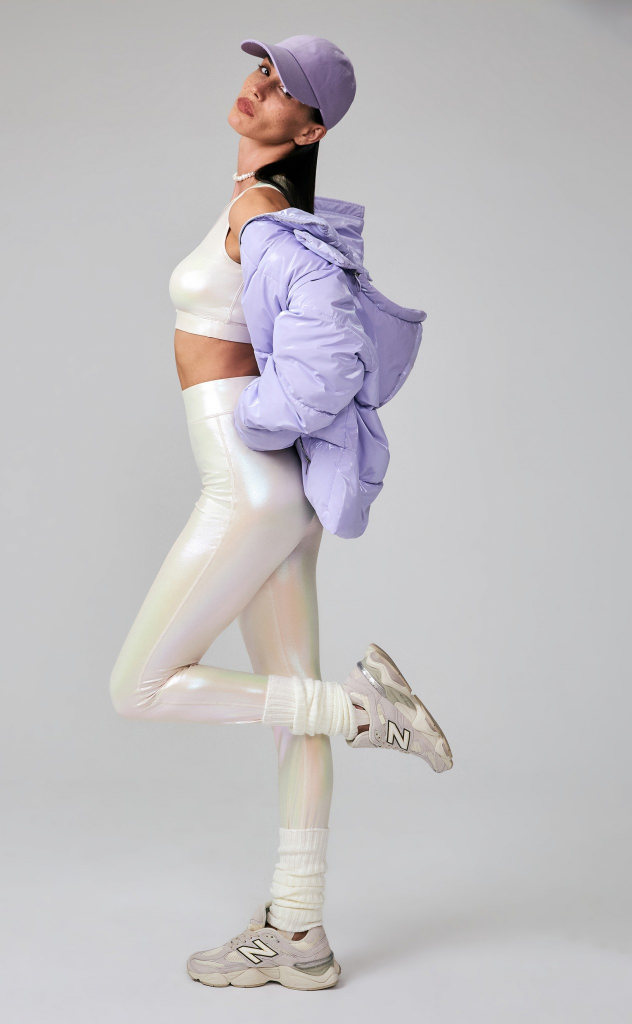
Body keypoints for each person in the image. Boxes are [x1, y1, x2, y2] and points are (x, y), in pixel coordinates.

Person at [109, 34, 452, 991]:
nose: (259, 86)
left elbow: (330, 357)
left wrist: (253, 421)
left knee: (140, 687)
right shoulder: (264, 205)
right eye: (261, 70)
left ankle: (365, 711)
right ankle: (301, 931)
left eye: (284, 87)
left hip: (249, 485)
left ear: (311, 129)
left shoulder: (263, 215)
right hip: (279, 495)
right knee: (285, 708)